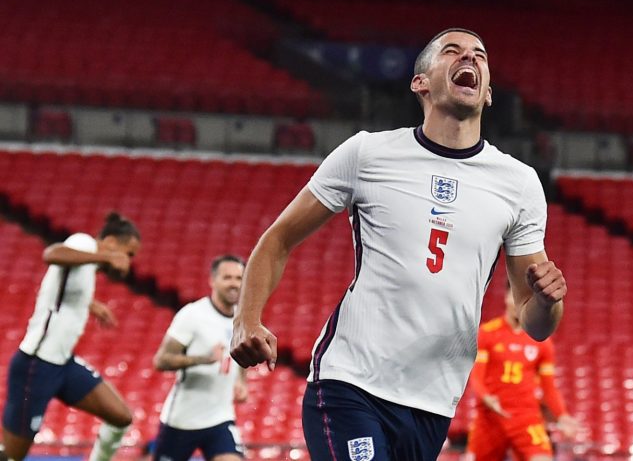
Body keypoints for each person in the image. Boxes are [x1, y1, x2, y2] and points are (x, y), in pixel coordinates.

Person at [230, 28, 567, 461]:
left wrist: (548, 300)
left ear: (487, 94)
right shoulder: (366, 154)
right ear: (420, 83)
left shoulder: (519, 184)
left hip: (433, 403)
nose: (469, 58)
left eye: (480, 55)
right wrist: (246, 319)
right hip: (351, 382)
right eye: (452, 51)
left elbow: (535, 322)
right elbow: (278, 238)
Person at [1, 212, 141, 461]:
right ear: (110, 241)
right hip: (36, 366)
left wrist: (90, 304)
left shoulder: (88, 266)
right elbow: (52, 254)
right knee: (11, 457)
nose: (128, 261)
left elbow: (60, 290)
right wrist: (107, 257)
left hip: (63, 364)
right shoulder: (83, 243)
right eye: (128, 253)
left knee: (121, 417)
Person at [465, 288, 581, 461]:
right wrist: (486, 397)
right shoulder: (487, 333)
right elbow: (476, 377)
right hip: (490, 417)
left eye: (527, 298)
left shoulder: (542, 342)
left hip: (526, 417)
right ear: (506, 297)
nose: (519, 302)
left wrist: (562, 415)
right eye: (515, 296)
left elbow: (549, 387)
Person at [152, 255, 248, 461]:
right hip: (183, 420)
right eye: (227, 277)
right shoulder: (192, 315)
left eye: (239, 278)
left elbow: (240, 353)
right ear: (212, 280)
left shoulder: (242, 318)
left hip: (221, 417)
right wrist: (204, 359)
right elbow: (161, 360)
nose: (234, 283)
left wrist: (241, 380)